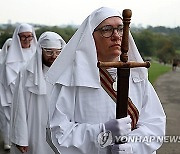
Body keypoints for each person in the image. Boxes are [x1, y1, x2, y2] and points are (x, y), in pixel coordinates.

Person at [45, 7, 166, 154]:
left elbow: (155, 124)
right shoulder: (71, 80)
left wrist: (132, 146)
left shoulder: (136, 76)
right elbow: (59, 133)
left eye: (121, 29)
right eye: (107, 29)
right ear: (91, 36)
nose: (116, 36)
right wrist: (102, 132)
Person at [10, 31, 66, 154]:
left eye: (58, 52)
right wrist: (21, 138)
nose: (54, 56)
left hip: (60, 129)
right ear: (40, 50)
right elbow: (19, 108)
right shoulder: (26, 72)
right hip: (34, 127)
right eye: (49, 52)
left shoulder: (66, 72)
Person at [0, 23, 37, 150]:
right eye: (23, 37)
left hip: (32, 94)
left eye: (30, 37)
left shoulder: (35, 54)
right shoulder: (10, 58)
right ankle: (9, 141)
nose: (27, 40)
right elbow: (8, 80)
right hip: (13, 94)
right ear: (18, 37)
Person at [0, 38, 12, 150]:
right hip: (2, 94)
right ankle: (7, 141)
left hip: (14, 94)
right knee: (5, 120)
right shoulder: (1, 60)